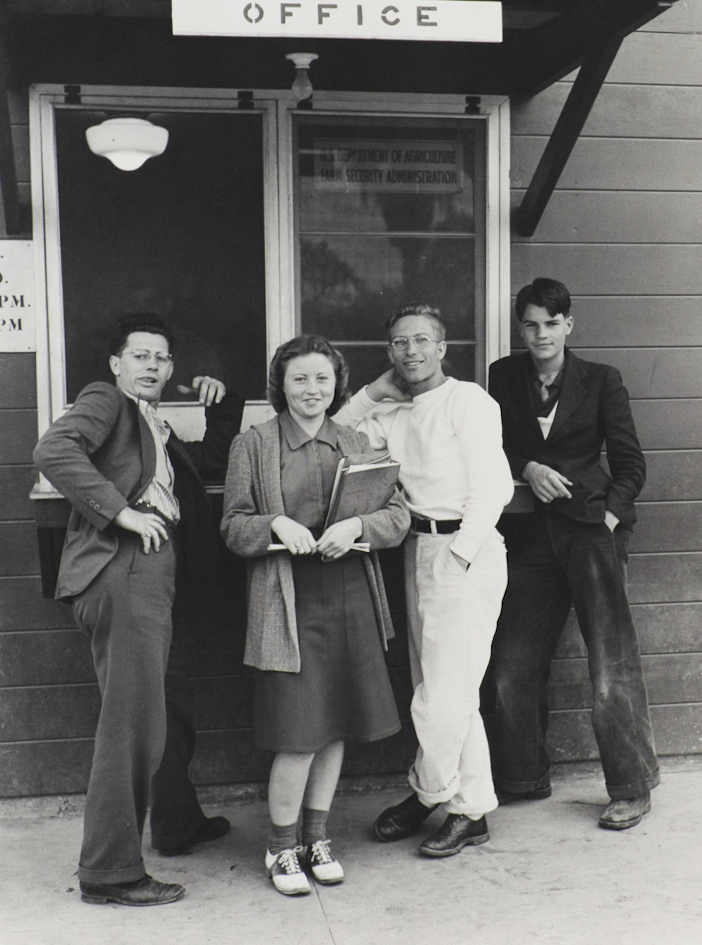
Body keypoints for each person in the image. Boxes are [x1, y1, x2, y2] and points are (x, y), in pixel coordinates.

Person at [33, 314, 244, 905]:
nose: (152, 365)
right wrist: (119, 512)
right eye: (141, 355)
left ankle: (176, 823)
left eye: (162, 358)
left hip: (158, 576)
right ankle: (110, 872)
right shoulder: (107, 402)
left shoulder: (156, 428)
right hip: (126, 569)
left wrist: (223, 408)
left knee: (165, 706)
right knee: (131, 725)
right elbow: (54, 448)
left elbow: (209, 461)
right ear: (116, 365)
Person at [220, 335, 409, 896]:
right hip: (288, 601)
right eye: (299, 378)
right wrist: (275, 525)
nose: (312, 389)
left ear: (337, 384)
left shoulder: (355, 439)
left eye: (322, 379)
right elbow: (232, 525)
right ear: (280, 384)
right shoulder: (253, 445)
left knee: (335, 729)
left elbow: (396, 513)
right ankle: (281, 847)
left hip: (349, 593)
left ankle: (317, 837)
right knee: (298, 732)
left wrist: (358, 528)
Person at [334, 303, 514, 858]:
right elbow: (331, 432)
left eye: (421, 341)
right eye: (398, 343)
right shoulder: (392, 414)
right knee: (446, 691)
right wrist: (372, 391)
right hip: (416, 549)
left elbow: (495, 488)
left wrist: (458, 556)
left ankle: (429, 794)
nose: (410, 351)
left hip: (466, 552)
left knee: (442, 698)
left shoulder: (469, 402)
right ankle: (471, 806)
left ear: (442, 347)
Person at [485, 277, 659, 829]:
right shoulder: (502, 377)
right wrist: (526, 468)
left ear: (569, 324)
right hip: (530, 538)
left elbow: (631, 464)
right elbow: (493, 447)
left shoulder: (601, 380)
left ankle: (631, 786)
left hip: (591, 532)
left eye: (551, 324)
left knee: (610, 662)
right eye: (530, 325)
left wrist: (608, 520)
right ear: (520, 328)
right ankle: (522, 776)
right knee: (511, 666)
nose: (541, 334)